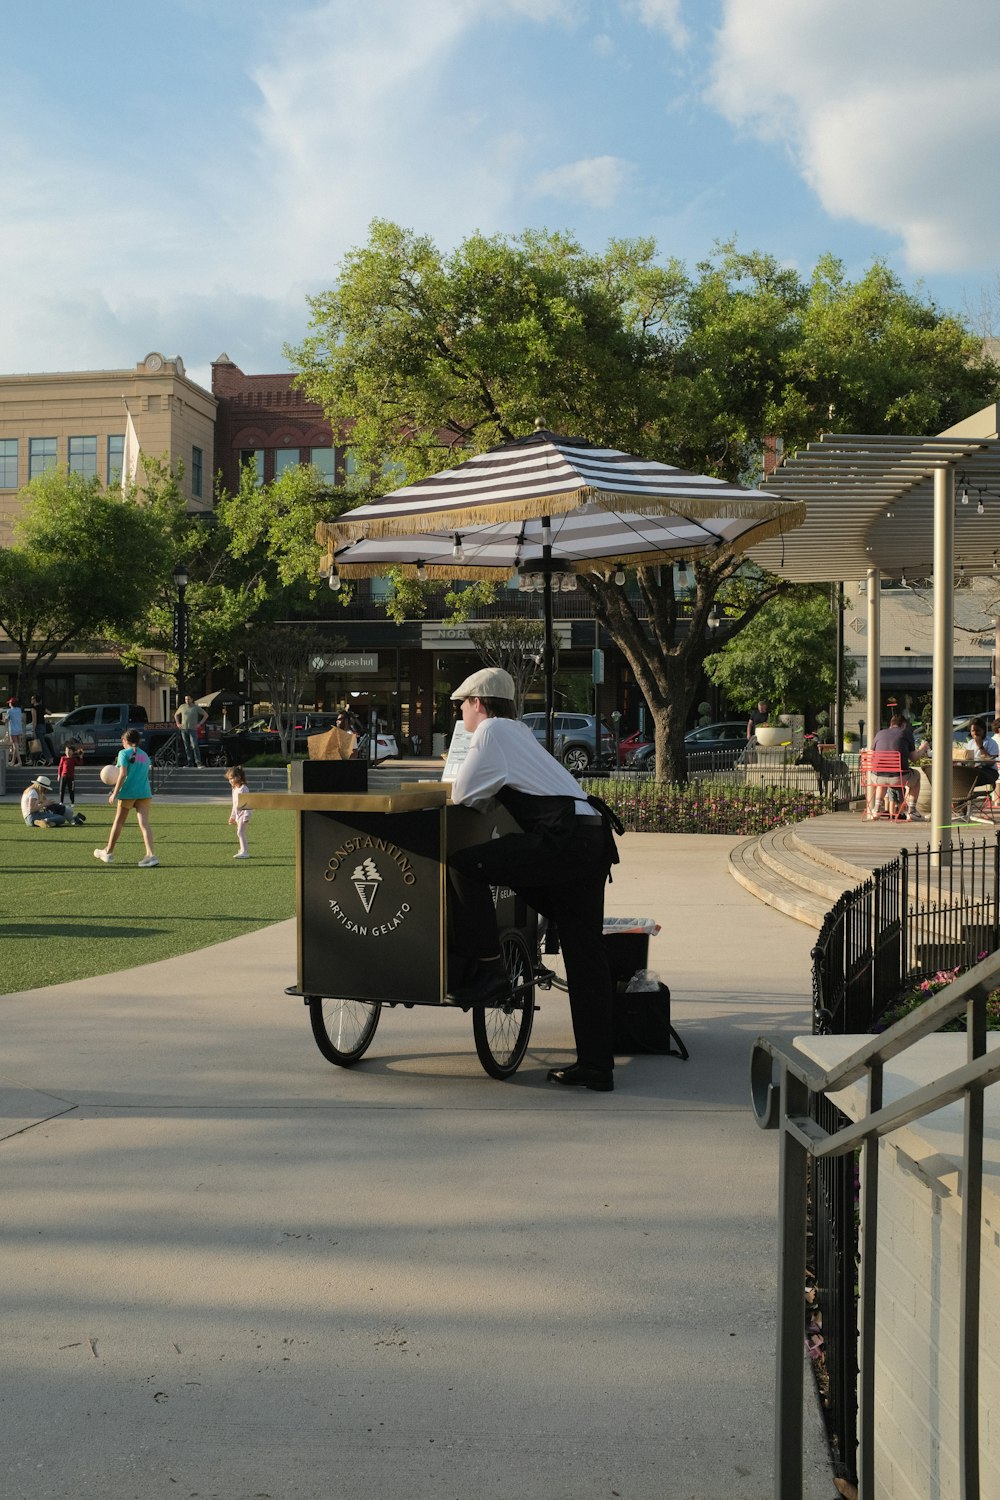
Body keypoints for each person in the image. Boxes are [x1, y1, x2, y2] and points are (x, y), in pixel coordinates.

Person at [446, 667, 623, 1092]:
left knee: (463, 865)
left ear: (479, 703)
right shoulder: (518, 733)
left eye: (461, 706)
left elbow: (462, 795)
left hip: (563, 839)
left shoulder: (489, 732)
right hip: (590, 837)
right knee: (585, 954)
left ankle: (488, 970)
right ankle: (597, 1065)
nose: (460, 717)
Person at [94, 729, 158, 866]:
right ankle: (151, 855)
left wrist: (114, 793)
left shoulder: (123, 753)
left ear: (125, 741)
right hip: (144, 792)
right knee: (144, 824)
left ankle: (108, 852)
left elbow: (122, 774)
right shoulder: (145, 755)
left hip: (128, 792)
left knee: (119, 822)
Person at [868, 712, 922, 820]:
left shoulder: (880, 733)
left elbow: (871, 754)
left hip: (876, 777)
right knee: (916, 775)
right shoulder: (905, 733)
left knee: (883, 775)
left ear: (891, 724)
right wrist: (923, 749)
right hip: (898, 777)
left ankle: (876, 809)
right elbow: (914, 758)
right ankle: (912, 810)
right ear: (903, 725)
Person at [963, 717, 999, 791]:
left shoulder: (991, 742)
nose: (975, 733)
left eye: (978, 731)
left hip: (989, 771)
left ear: (983, 730)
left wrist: (981, 747)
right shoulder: (970, 743)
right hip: (973, 770)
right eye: (973, 731)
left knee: (967, 777)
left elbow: (991, 763)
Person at [174, 694, 208, 767]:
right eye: (186, 699)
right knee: (186, 746)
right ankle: (190, 763)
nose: (187, 701)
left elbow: (205, 715)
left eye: (188, 699)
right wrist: (178, 723)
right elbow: (176, 714)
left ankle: (198, 762)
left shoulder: (196, 707)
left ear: (192, 700)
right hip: (184, 729)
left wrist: (200, 724)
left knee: (194, 745)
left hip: (192, 729)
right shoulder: (182, 706)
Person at [226, 765, 252, 858]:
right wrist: (232, 816)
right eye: (229, 779)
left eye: (232, 778)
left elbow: (248, 804)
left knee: (240, 832)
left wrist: (246, 816)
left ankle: (245, 851)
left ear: (239, 777)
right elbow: (235, 804)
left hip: (243, 815)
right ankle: (242, 849)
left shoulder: (243, 789)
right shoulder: (235, 789)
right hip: (238, 815)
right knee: (240, 832)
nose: (230, 781)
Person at [28, 694, 55, 764]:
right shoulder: (42, 707)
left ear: (35, 700)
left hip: (38, 727)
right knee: (35, 743)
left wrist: (33, 730)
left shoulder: (33, 708)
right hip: (43, 726)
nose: (31, 700)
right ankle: (32, 759)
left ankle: (50, 758)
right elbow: (50, 713)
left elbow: (34, 719)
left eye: (32, 699)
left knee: (41, 743)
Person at [58, 739, 85, 809]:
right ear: (65, 751)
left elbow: (80, 764)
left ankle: (72, 802)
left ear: (72, 752)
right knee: (62, 789)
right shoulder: (63, 758)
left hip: (71, 777)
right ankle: (61, 802)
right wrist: (59, 775)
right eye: (66, 750)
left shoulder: (74, 759)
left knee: (71, 790)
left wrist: (81, 757)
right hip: (63, 776)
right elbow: (60, 767)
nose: (68, 752)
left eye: (70, 750)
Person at [6, 698, 24, 765]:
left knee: (15, 746)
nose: (9, 704)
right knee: (16, 747)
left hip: (13, 730)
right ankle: (13, 761)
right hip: (19, 730)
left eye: (9, 703)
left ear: (11, 704)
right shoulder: (19, 710)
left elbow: (6, 720)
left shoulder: (9, 711)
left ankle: (19, 761)